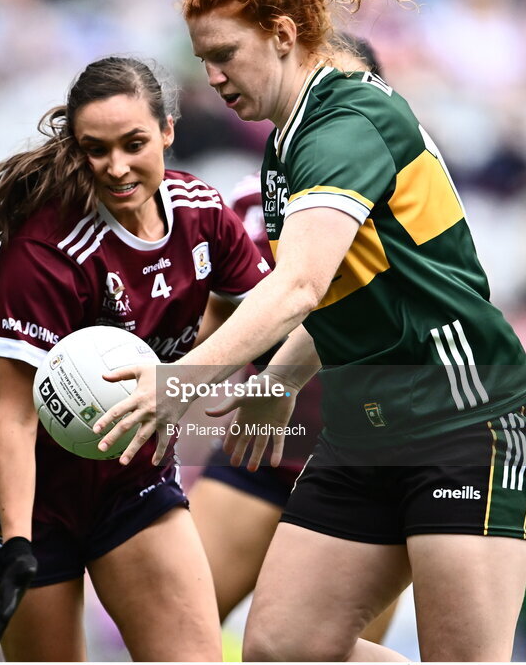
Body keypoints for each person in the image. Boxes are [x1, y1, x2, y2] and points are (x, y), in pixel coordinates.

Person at [95, 0, 526, 662]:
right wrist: (277, 381)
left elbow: (301, 284)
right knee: (280, 650)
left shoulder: (346, 123)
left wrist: (176, 383)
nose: (210, 75)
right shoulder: (289, 145)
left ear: (281, 34)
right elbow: (338, 290)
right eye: (201, 58)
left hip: (465, 419)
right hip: (365, 426)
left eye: (223, 54)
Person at [0, 56, 271, 661]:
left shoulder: (202, 212)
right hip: (29, 494)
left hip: (131, 477)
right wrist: (15, 544)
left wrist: (271, 384)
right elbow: (15, 415)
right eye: (96, 149)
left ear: (168, 130)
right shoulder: (45, 249)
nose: (117, 167)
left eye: (134, 143)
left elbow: (265, 311)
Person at [187, 35, 399, 641]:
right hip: (263, 448)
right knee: (175, 627)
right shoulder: (248, 211)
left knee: (322, 651)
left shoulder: (408, 214)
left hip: (369, 462)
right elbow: (211, 322)